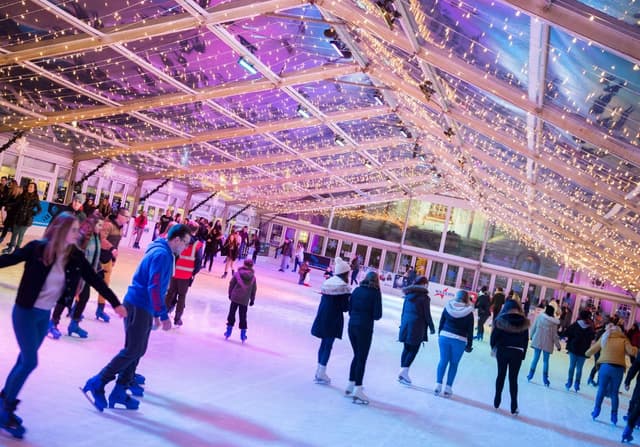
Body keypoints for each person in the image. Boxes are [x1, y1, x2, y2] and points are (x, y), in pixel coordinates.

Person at [0, 212, 126, 438]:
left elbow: (95, 279)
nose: (78, 234)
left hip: (43, 316)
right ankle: (5, 409)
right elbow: (7, 259)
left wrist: (115, 303)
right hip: (25, 313)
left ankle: (3, 404)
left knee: (24, 360)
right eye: (74, 230)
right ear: (60, 230)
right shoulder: (38, 248)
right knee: (29, 361)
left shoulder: (74, 255)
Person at [82, 224, 191, 412]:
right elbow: (154, 287)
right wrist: (162, 315)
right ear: (176, 240)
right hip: (139, 305)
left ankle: (120, 390)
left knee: (138, 349)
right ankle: (98, 381)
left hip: (142, 305)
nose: (186, 248)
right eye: (185, 243)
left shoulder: (162, 249)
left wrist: (155, 313)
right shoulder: (163, 255)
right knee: (132, 350)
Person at [48, 212, 105, 339]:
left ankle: (74, 324)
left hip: (86, 275)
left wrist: (98, 269)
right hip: (75, 273)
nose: (101, 228)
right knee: (66, 298)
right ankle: (53, 323)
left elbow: (95, 254)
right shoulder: (81, 235)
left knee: (84, 298)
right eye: (99, 225)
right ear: (92, 224)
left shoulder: (96, 236)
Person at [587, 321, 638, 425]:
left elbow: (594, 348)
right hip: (618, 369)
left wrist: (586, 353)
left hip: (605, 367)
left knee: (601, 389)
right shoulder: (624, 339)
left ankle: (596, 411)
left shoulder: (606, 337)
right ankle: (614, 417)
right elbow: (632, 352)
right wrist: (637, 349)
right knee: (614, 393)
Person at [311, 257, 351, 385]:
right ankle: (321, 372)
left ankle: (319, 370)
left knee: (323, 344)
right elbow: (345, 307)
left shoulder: (329, 282)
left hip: (322, 316)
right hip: (333, 319)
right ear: (345, 273)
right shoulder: (343, 287)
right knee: (328, 345)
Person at [345, 271, 382, 404]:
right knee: (361, 357)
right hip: (364, 328)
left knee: (357, 355)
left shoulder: (357, 290)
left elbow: (349, 309)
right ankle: (358, 389)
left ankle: (351, 383)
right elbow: (378, 315)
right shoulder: (375, 293)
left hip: (352, 326)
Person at [490, 299, 530, 415]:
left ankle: (497, 400)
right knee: (513, 379)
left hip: (503, 351)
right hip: (517, 352)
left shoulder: (500, 320)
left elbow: (494, 337)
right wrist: (523, 354)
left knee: (501, 375)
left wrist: (494, 348)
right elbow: (525, 340)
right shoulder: (524, 322)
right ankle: (514, 405)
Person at [435, 290, 474, 397]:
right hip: (460, 340)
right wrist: (469, 345)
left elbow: (442, 322)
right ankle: (448, 388)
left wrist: (440, 334)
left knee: (443, 360)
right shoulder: (469, 312)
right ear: (466, 298)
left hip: (444, 336)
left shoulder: (448, 307)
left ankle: (438, 385)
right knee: (454, 363)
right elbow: (470, 330)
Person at [397, 276, 435, 385]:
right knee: (413, 349)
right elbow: (427, 314)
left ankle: (402, 372)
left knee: (407, 348)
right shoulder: (424, 298)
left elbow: (403, 311)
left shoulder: (408, 295)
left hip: (406, 323)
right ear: (423, 284)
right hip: (417, 326)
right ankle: (403, 372)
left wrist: (402, 324)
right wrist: (432, 327)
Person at [165, 221, 203, 326]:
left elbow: (173, 254)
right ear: (196, 231)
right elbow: (199, 261)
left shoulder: (180, 239)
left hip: (175, 272)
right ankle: (177, 319)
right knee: (182, 296)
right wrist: (193, 272)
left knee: (170, 294)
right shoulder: (198, 245)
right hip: (186, 275)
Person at [96, 207, 130, 322]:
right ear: (119, 216)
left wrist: (114, 258)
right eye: (126, 216)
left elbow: (116, 244)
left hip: (108, 259)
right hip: (98, 258)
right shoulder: (108, 225)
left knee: (105, 286)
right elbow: (101, 239)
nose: (128, 219)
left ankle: (100, 309)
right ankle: (75, 306)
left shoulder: (120, 229)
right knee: (86, 282)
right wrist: (111, 249)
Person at [526, 304, 561, 386]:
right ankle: (545, 379)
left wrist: (531, 336)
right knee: (545, 361)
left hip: (538, 340)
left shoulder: (539, 317)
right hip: (548, 344)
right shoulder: (553, 323)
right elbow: (555, 335)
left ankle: (530, 375)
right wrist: (558, 346)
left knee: (535, 358)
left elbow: (533, 327)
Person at [224, 259, 257, 343]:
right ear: (252, 266)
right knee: (243, 316)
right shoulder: (253, 278)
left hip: (235, 297)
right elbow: (254, 290)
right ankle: (243, 334)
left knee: (231, 313)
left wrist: (230, 293)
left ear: (244, 264)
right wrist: (252, 299)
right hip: (244, 299)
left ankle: (228, 331)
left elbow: (231, 284)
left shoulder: (237, 274)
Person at [4, 182, 41, 254]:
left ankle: (17, 251)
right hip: (18, 218)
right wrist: (8, 204)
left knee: (21, 235)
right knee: (14, 234)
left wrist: (32, 213)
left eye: (31, 187)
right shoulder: (23, 195)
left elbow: (40, 209)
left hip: (26, 220)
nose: (29, 188)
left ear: (34, 189)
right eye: (29, 186)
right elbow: (16, 203)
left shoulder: (36, 198)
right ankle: (10, 248)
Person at [564, 309, 595, 392]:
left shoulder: (576, 325)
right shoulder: (590, 328)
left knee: (572, 366)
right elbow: (592, 337)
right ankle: (577, 384)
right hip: (583, 351)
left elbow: (567, 332)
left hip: (573, 349)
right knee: (579, 368)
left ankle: (569, 382)